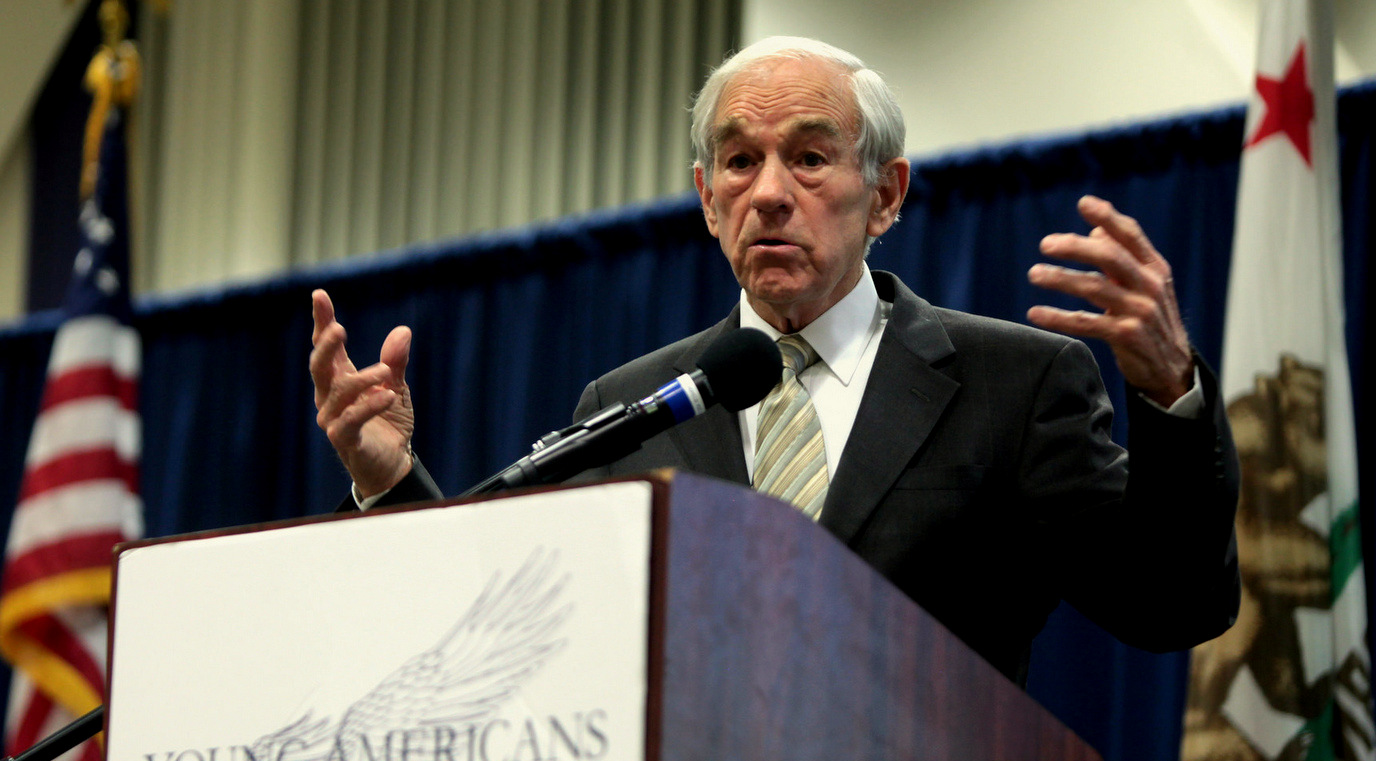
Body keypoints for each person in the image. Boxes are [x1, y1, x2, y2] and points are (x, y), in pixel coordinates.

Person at [307, 36, 1239, 684]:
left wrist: (1170, 394)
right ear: (708, 201)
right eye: (740, 162)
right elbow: (509, 637)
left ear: (885, 194)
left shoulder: (1017, 385)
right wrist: (393, 485)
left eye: (809, 157)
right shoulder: (632, 406)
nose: (770, 194)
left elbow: (1170, 604)